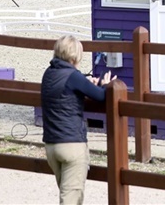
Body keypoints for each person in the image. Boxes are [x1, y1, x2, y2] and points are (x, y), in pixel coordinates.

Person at [41, 35, 114, 205]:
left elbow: (69, 92)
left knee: (67, 195)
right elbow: (101, 96)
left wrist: (88, 84)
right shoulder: (74, 76)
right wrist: (105, 84)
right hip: (72, 144)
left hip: (51, 145)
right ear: (75, 56)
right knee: (71, 199)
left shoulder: (48, 73)